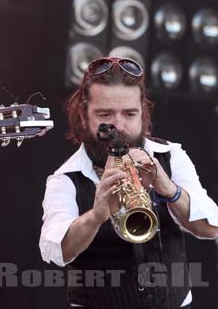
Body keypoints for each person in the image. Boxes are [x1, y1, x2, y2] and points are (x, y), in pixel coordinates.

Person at [39, 57, 218, 308]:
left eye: (130, 113)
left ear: (143, 111)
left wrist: (169, 189)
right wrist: (95, 216)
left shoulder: (171, 156)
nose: (119, 126)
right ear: (83, 114)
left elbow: (211, 228)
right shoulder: (66, 179)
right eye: (105, 114)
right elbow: (56, 251)